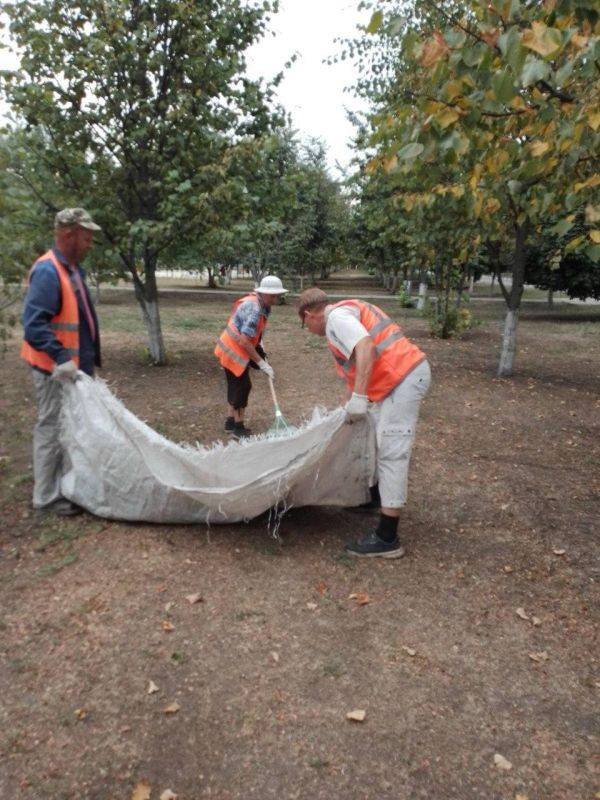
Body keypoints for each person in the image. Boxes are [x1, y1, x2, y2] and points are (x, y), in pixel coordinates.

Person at [298, 288, 431, 559]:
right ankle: (374, 497)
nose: (308, 329)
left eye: (305, 325)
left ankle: (387, 537)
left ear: (309, 314)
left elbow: (366, 346)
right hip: (395, 382)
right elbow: (355, 369)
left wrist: (360, 398)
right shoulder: (345, 312)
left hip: (402, 380)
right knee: (373, 440)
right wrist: (346, 407)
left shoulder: (336, 319)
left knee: (392, 452)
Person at [21, 208, 102, 517]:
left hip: (74, 369)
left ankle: (67, 485)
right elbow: (34, 325)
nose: (90, 243)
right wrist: (62, 357)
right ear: (68, 235)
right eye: (86, 237)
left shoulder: (72, 269)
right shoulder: (48, 270)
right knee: (52, 428)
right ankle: (46, 497)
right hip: (55, 370)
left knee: (70, 428)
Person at [214, 275, 288, 438]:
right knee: (242, 387)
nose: (276, 298)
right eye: (273, 295)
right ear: (263, 292)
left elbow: (252, 333)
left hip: (233, 349)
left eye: (278, 295)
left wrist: (259, 347)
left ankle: (230, 423)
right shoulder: (254, 308)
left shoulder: (262, 304)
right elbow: (244, 341)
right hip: (233, 352)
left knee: (236, 387)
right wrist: (261, 363)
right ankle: (238, 428)